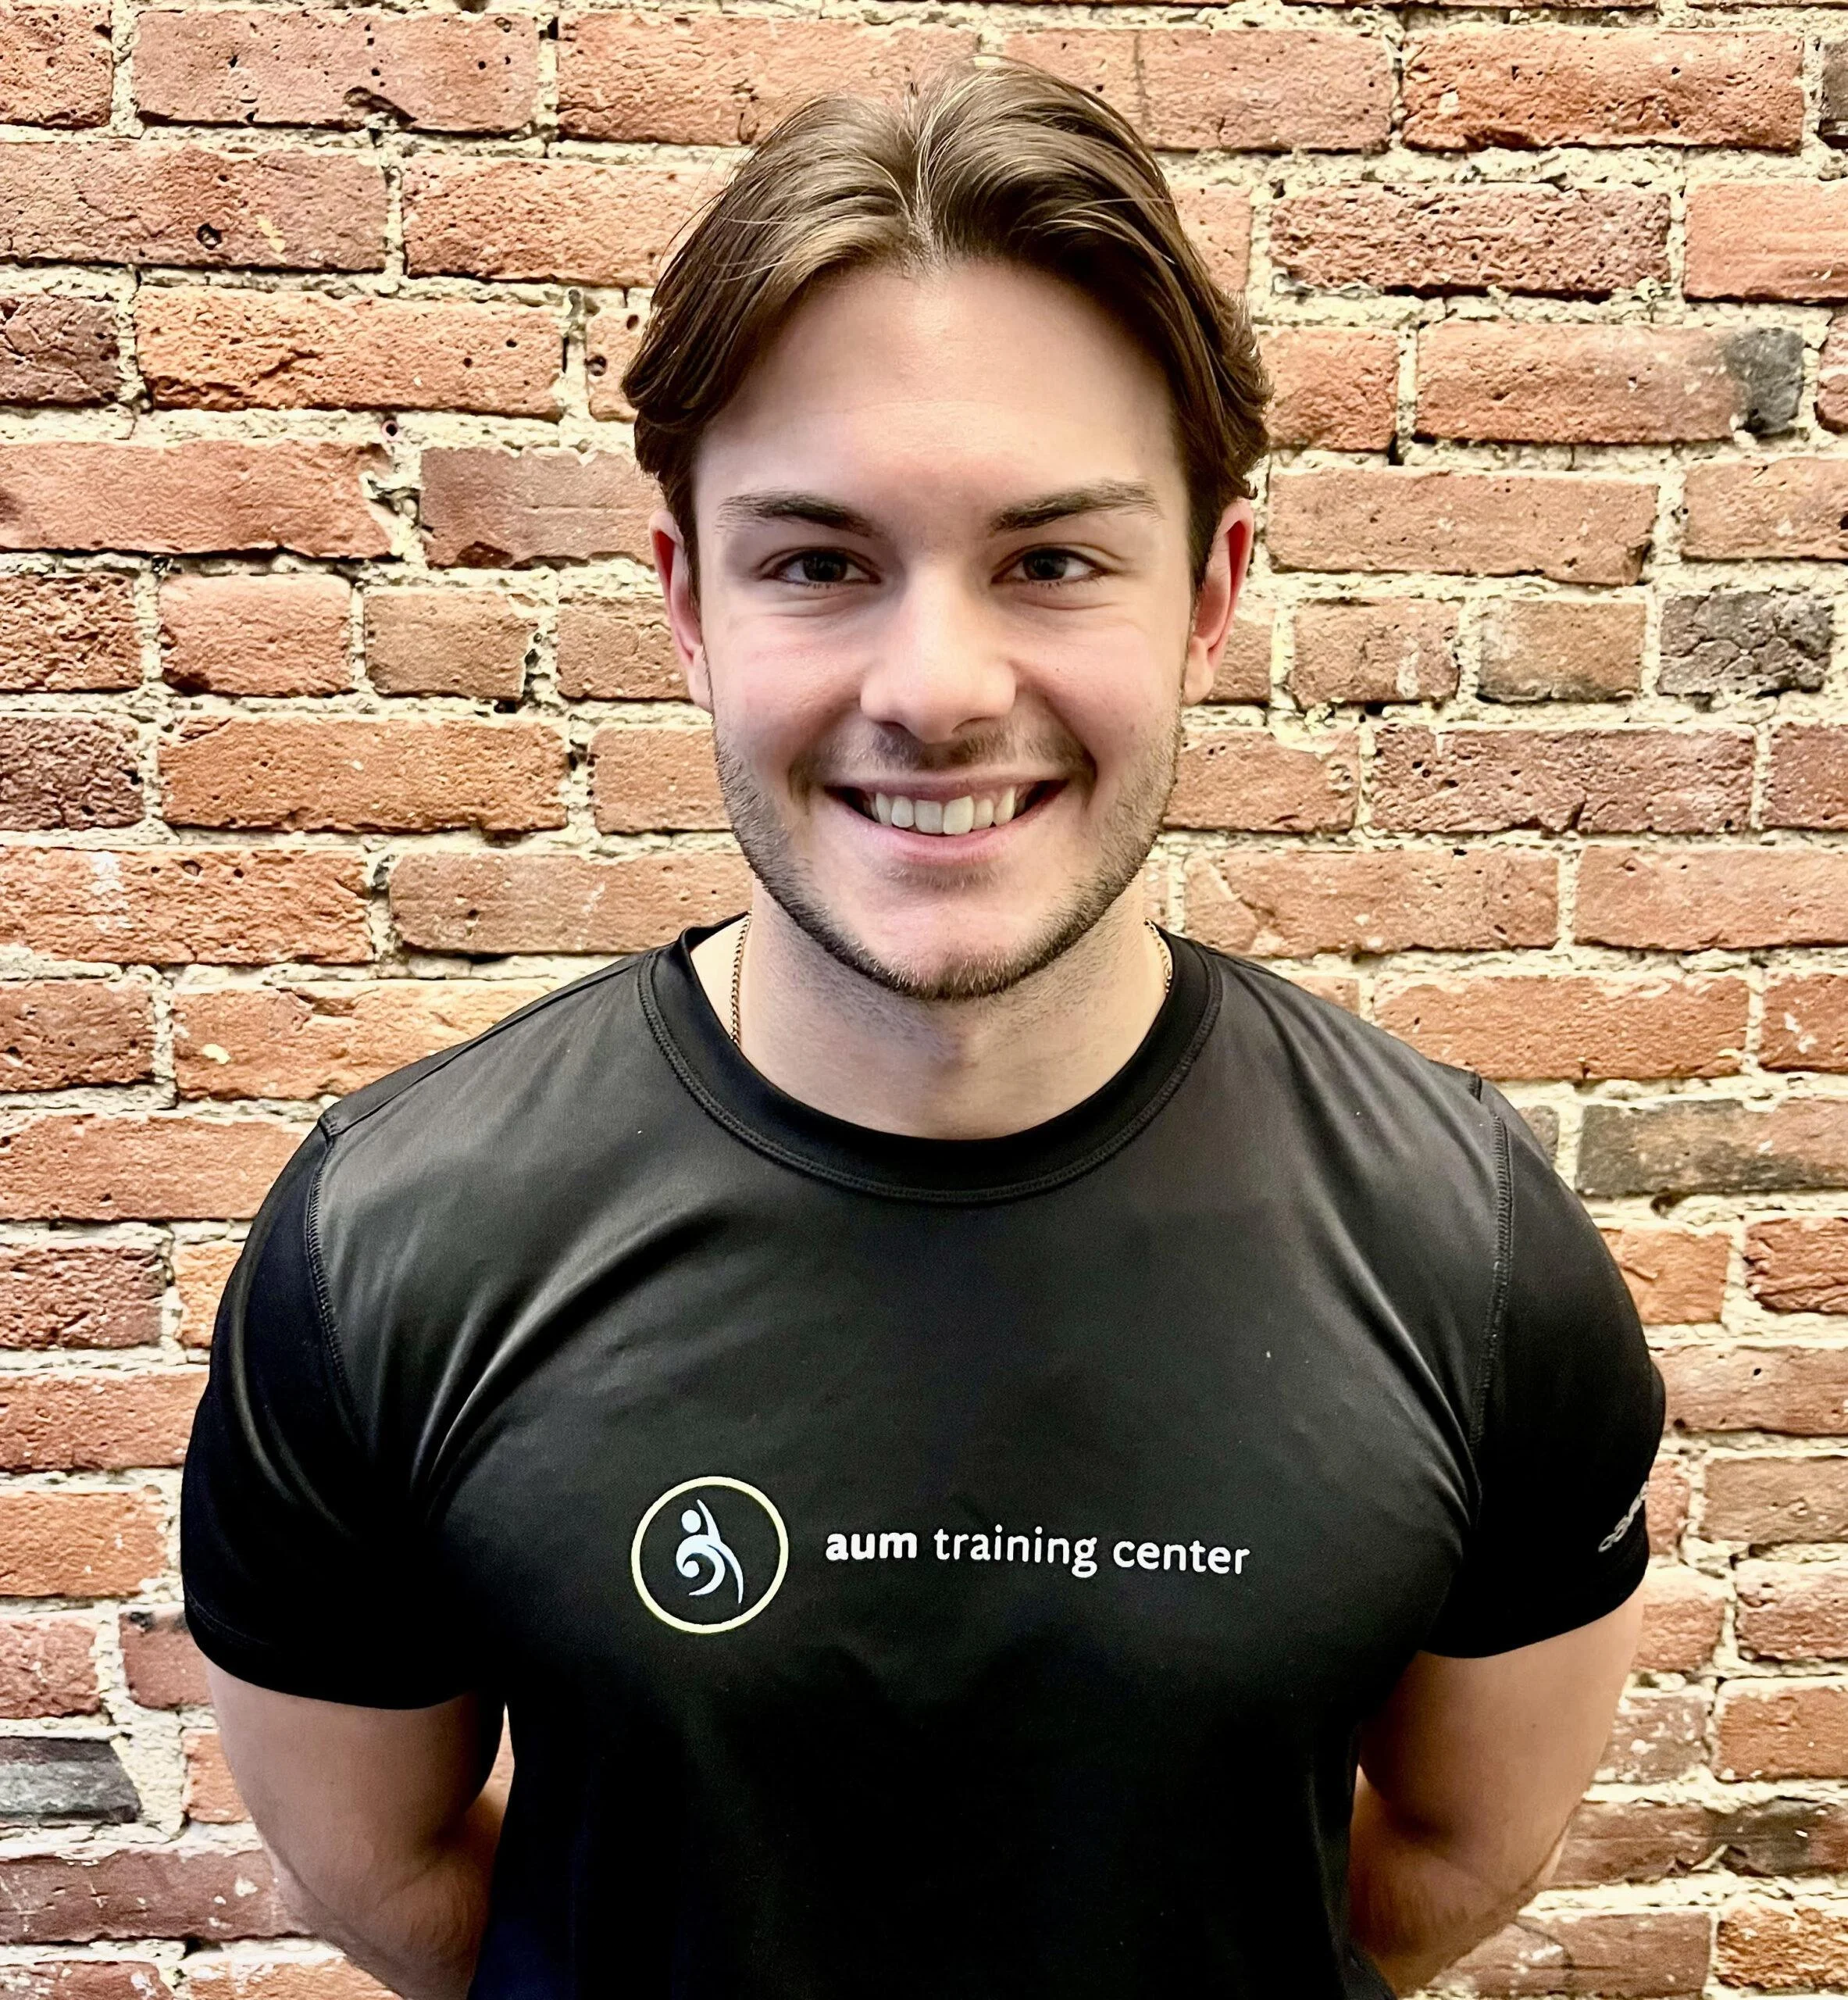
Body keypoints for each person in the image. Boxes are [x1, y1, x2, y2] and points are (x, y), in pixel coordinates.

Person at [181, 63, 1664, 2000]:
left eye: (1052, 560)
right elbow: (381, 1872)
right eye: (818, 563)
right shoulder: (388, 1245)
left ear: (1208, 594)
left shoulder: (1469, 1250)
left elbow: (1456, 1852)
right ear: (687, 602)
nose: (938, 689)